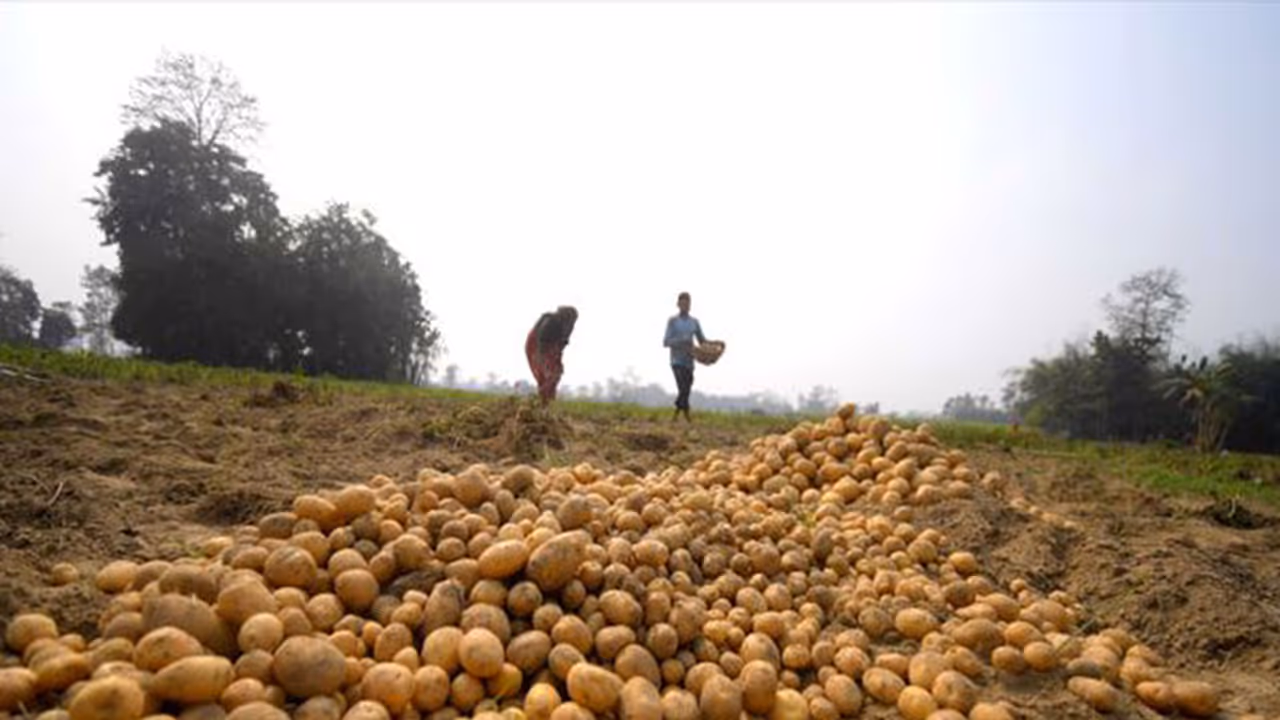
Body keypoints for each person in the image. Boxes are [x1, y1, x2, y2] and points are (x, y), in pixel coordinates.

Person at [663, 291, 706, 422]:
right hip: (676, 360)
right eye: (683, 303)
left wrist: (712, 347)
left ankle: (678, 412)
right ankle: (685, 415)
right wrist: (681, 341)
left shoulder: (694, 322)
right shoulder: (673, 321)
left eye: (688, 303)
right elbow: (666, 342)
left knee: (687, 387)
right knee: (683, 387)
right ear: (678, 304)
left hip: (689, 361)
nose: (686, 306)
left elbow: (702, 340)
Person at [526, 305, 578, 405]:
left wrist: (557, 358)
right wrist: (541, 357)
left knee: (554, 374)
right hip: (537, 345)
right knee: (549, 375)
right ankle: (541, 399)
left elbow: (561, 344)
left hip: (551, 348)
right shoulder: (551, 321)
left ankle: (546, 401)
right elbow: (541, 339)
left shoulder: (567, 326)